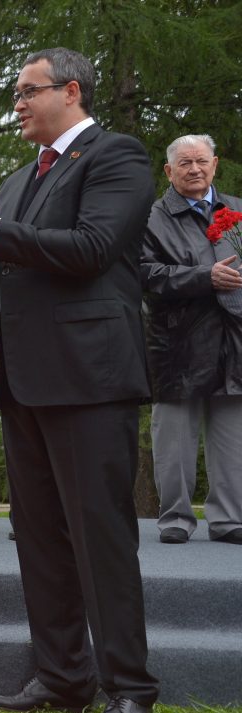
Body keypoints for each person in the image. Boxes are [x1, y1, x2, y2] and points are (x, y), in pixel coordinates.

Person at [0, 48, 159, 713]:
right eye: (14, 94)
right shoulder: (19, 175)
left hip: (90, 377)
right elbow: (3, 279)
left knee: (100, 537)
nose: (18, 104)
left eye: (28, 92)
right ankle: (63, 676)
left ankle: (129, 687)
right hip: (25, 378)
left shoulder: (116, 156)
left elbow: (92, 249)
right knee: (38, 538)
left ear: (71, 90)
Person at [140, 134, 242, 546]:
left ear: (214, 164)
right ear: (169, 171)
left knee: (232, 439)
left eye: (201, 161)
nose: (194, 169)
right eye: (185, 163)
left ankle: (230, 519)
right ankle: (176, 518)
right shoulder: (151, 218)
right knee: (174, 441)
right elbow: (143, 274)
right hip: (178, 343)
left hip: (234, 340)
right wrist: (205, 277)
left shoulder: (237, 209)